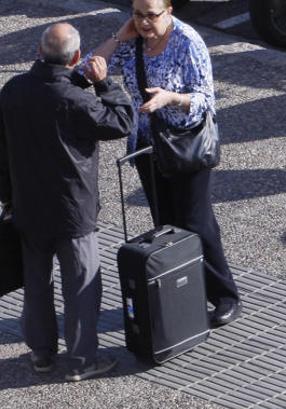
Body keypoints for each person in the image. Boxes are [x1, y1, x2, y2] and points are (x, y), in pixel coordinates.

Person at [86, 0, 241, 327]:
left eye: (151, 15)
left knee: (196, 222)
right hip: (148, 146)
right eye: (137, 15)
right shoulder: (133, 42)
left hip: (186, 145)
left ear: (169, 11)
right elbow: (89, 66)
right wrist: (118, 36)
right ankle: (186, 291)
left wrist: (171, 99)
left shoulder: (188, 42)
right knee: (166, 224)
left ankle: (225, 295)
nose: (144, 22)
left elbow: (205, 102)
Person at [0, 23, 134, 381]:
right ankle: (80, 362)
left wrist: (7, 198)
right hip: (72, 209)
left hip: (28, 206)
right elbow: (122, 121)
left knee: (36, 284)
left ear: (38, 50)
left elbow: (2, 150)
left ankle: (41, 354)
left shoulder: (12, 90)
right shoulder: (77, 100)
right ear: (75, 57)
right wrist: (104, 83)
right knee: (81, 286)